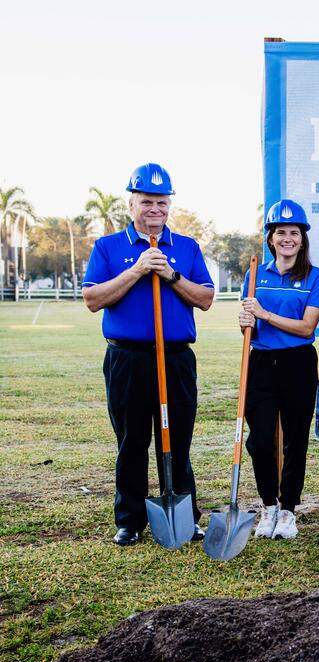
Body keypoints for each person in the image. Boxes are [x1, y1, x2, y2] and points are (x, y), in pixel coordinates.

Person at [81, 163, 215, 546]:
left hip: (174, 358)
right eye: (146, 202)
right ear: (131, 204)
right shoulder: (108, 247)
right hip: (128, 359)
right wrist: (139, 270)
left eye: (161, 202)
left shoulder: (187, 248)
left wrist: (171, 275)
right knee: (132, 440)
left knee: (178, 438)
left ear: (169, 204)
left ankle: (184, 515)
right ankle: (130, 519)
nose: (155, 209)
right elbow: (93, 299)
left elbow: (205, 298)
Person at [238, 199, 319, 540]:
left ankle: (288, 509)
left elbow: (307, 327)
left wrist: (263, 314)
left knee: (295, 440)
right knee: (259, 441)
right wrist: (246, 321)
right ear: (270, 238)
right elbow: (252, 326)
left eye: (294, 232)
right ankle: (268, 507)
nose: (287, 238)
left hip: (298, 363)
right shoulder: (255, 274)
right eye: (280, 232)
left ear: (302, 239)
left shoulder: (315, 277)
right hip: (261, 362)